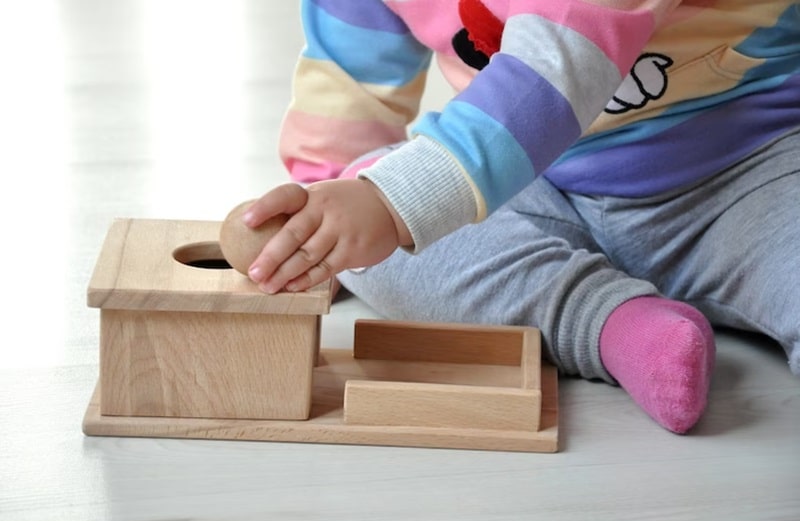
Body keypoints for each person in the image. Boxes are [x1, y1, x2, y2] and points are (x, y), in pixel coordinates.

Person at [242, 0, 800, 433]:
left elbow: (555, 69)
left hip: (746, 174)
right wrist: (323, 217)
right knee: (381, 237)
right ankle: (614, 323)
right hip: (535, 183)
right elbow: (350, 79)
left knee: (402, 205)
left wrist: (393, 202)